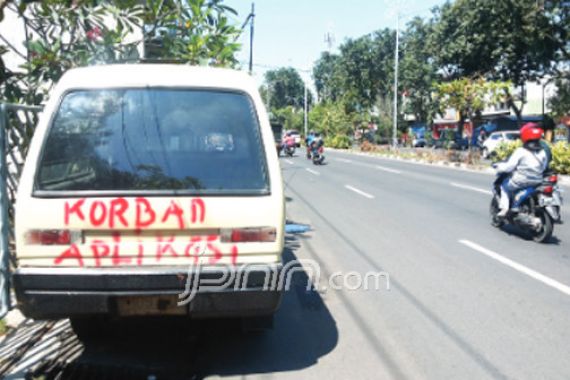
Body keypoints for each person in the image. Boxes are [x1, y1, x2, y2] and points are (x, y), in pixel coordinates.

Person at [494, 123, 548, 217]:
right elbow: (543, 167)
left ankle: (504, 209)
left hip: (520, 180)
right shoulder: (542, 152)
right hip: (537, 181)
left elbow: (509, 167)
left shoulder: (520, 151)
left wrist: (499, 167)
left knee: (504, 187)